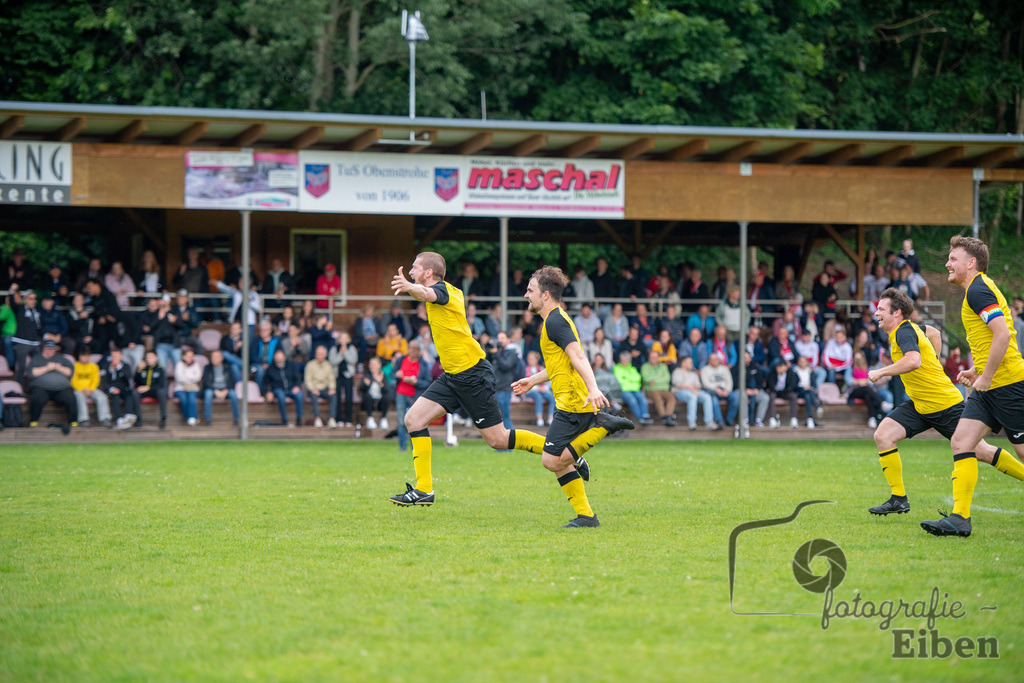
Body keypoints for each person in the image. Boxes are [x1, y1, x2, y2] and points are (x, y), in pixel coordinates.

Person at [387, 252, 552, 507]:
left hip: (473, 374)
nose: (410, 271)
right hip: (453, 376)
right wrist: (413, 288)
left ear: (428, 273)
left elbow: (429, 294)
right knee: (413, 419)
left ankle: (560, 450)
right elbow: (425, 294)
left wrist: (411, 288)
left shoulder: (446, 292)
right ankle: (424, 490)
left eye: (415, 267)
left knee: (497, 440)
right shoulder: (436, 292)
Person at [867, 288, 1019, 518]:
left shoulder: (903, 332)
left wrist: (881, 372)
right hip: (920, 405)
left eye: (881, 309)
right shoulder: (911, 328)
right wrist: (935, 362)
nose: (876, 312)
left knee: (983, 452)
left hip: (945, 405)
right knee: (883, 435)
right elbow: (935, 333)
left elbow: (914, 361)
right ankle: (898, 499)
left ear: (896, 313)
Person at [511, 266, 635, 527]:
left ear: (545, 295)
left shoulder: (555, 321)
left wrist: (593, 388)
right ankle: (587, 517)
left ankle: (602, 427)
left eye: (530, 290)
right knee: (557, 461)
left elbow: (579, 356)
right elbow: (562, 363)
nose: (526, 295)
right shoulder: (555, 320)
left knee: (551, 460)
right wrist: (533, 380)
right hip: (570, 401)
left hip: (574, 403)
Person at [918, 237, 1024, 537]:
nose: (947, 264)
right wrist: (977, 370)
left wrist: (986, 377)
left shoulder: (978, 289)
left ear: (971, 263)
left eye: (953, 258)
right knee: (963, 443)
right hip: (990, 386)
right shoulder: (977, 291)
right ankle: (959, 519)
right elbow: (997, 338)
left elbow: (1003, 335)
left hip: (1009, 385)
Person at [27, 340, 76, 428]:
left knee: (71, 398)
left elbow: (69, 372)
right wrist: (47, 368)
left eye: (52, 349)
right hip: (41, 387)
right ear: (44, 349)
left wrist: (59, 367)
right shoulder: (36, 359)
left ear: (55, 349)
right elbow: (32, 373)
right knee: (37, 398)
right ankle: (33, 421)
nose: (50, 351)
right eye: (48, 349)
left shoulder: (62, 359)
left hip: (61, 388)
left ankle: (73, 422)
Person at [672, 355, 717, 430]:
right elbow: (678, 384)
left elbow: (699, 386)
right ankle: (692, 422)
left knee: (707, 396)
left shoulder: (693, 374)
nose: (692, 364)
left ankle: (709, 422)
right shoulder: (677, 371)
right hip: (680, 392)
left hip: (695, 391)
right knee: (692, 396)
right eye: (690, 362)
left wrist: (692, 389)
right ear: (683, 363)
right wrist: (691, 388)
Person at [72, 347, 111, 428]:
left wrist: (91, 389)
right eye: (82, 356)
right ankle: (83, 420)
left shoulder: (93, 366)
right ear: (79, 356)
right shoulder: (75, 366)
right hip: (79, 389)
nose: (84, 358)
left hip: (91, 389)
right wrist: (81, 389)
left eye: (86, 356)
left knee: (102, 397)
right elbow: (73, 381)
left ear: (89, 357)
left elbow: (96, 379)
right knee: (79, 397)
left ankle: (105, 419)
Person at [490, 331, 521, 430]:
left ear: (508, 339)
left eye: (502, 338)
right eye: (498, 338)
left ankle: (509, 436)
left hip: (504, 388)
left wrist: (496, 355)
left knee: (505, 415)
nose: (500, 341)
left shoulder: (511, 352)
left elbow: (506, 366)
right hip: (495, 387)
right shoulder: (499, 352)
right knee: (495, 415)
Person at [9, 287, 41, 383]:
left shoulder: (36, 311)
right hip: (22, 342)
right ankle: (19, 387)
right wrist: (11, 291)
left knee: (36, 365)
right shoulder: (20, 309)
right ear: (24, 300)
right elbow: (12, 303)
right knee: (21, 366)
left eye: (34, 298)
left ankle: (34, 386)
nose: (33, 301)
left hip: (35, 343)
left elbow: (39, 328)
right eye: (30, 298)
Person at [265, 349, 304, 427]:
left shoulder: (292, 365)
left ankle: (299, 419)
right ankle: (284, 419)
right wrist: (268, 392)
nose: (279, 359)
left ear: (284, 358)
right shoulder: (270, 368)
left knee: (299, 395)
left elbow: (298, 378)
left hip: (291, 389)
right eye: (277, 358)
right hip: (278, 389)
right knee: (281, 395)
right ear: (274, 358)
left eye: (280, 358)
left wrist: (297, 386)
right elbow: (265, 382)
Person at [201, 349, 239, 427]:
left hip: (226, 389)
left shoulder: (228, 367)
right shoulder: (207, 368)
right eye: (213, 357)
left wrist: (226, 390)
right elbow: (205, 383)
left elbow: (232, 381)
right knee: (207, 394)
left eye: (216, 357)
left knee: (234, 395)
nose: (214, 359)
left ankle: (236, 419)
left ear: (221, 358)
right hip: (212, 389)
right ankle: (208, 420)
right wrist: (215, 390)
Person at [305, 344, 338, 428]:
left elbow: (331, 378)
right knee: (314, 395)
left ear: (325, 355)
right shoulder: (310, 365)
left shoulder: (328, 365)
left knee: (333, 395)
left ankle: (332, 419)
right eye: (318, 353)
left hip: (324, 389)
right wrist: (312, 389)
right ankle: (317, 419)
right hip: (313, 389)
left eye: (321, 353)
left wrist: (332, 388)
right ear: (315, 354)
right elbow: (308, 380)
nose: (319, 355)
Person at [330, 331, 359, 427]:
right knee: (337, 397)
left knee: (348, 397)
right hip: (337, 376)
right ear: (338, 339)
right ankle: (338, 419)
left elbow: (352, 360)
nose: (343, 340)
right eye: (341, 338)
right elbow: (333, 361)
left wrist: (345, 351)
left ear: (348, 339)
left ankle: (348, 420)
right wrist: (340, 353)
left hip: (348, 375)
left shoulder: (352, 348)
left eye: (345, 338)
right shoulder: (334, 349)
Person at [641, 349, 676, 427]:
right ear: (649, 358)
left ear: (658, 358)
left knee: (671, 397)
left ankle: (668, 416)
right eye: (651, 357)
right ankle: (664, 417)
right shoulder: (645, 367)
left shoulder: (664, 366)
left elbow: (667, 378)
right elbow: (646, 379)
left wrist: (655, 380)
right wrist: (660, 378)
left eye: (655, 357)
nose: (653, 359)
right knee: (658, 397)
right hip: (651, 389)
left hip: (663, 388)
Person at [134, 350, 168, 429]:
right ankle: (138, 418)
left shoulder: (160, 369)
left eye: (151, 357)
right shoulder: (143, 368)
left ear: (156, 358)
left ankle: (163, 418)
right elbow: (136, 382)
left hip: (154, 391)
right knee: (135, 393)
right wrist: (138, 370)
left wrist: (148, 387)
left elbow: (161, 384)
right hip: (144, 391)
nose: (149, 359)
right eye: (147, 357)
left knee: (162, 392)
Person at [700, 352, 734, 427]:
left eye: (715, 359)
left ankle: (729, 420)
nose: (714, 361)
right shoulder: (705, 369)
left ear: (719, 360)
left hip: (725, 390)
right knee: (713, 399)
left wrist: (727, 390)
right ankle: (720, 421)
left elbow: (729, 381)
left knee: (736, 397)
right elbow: (705, 384)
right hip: (713, 391)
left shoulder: (725, 369)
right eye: (712, 360)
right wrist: (716, 389)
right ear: (709, 361)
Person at [174, 347, 203, 426]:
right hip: (180, 388)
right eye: (188, 356)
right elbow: (179, 378)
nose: (190, 358)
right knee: (183, 399)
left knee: (191, 398)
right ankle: (188, 417)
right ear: (183, 357)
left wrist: (186, 377)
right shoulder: (179, 364)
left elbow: (198, 378)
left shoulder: (196, 364)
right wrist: (191, 378)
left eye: (192, 356)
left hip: (192, 388)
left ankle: (192, 418)